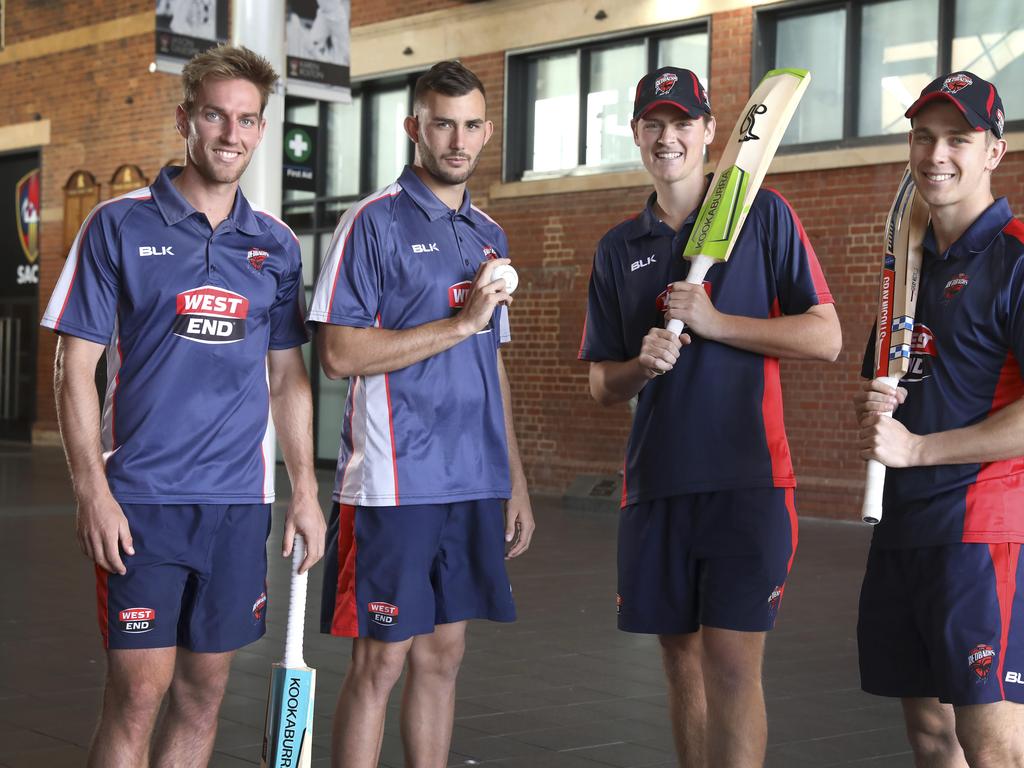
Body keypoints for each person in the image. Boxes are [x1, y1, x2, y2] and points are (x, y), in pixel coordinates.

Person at [40, 45, 324, 768]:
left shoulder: (277, 246)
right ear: (184, 120)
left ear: (262, 130)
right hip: (142, 501)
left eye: (248, 120)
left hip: (236, 504)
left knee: (204, 695)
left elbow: (288, 374)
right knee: (137, 694)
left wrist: (306, 492)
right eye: (215, 115)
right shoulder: (117, 225)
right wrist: (90, 492)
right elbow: (75, 364)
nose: (232, 134)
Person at [580, 66, 841, 767]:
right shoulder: (617, 247)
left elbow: (826, 335)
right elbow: (604, 385)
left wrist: (717, 322)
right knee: (680, 662)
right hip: (658, 485)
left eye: (683, 123)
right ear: (636, 134)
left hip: (747, 481)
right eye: (654, 124)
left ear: (710, 133)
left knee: (730, 664)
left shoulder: (764, 215)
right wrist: (642, 364)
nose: (669, 137)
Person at [307, 60, 535, 767]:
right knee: (381, 663)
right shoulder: (370, 223)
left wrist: (514, 479)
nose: (457, 139)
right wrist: (461, 324)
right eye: (442, 123)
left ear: (487, 132)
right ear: (415, 127)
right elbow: (339, 354)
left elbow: (490, 361)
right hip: (393, 485)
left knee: (445, 655)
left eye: (470, 125)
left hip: (471, 479)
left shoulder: (486, 232)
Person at [855, 72, 1024, 767]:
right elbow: (892, 379)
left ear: (995, 150)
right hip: (904, 527)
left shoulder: (1015, 256)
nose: (937, 155)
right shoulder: (911, 264)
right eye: (923, 137)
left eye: (959, 138)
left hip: (981, 532)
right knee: (931, 736)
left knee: (993, 745)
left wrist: (918, 449)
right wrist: (879, 407)